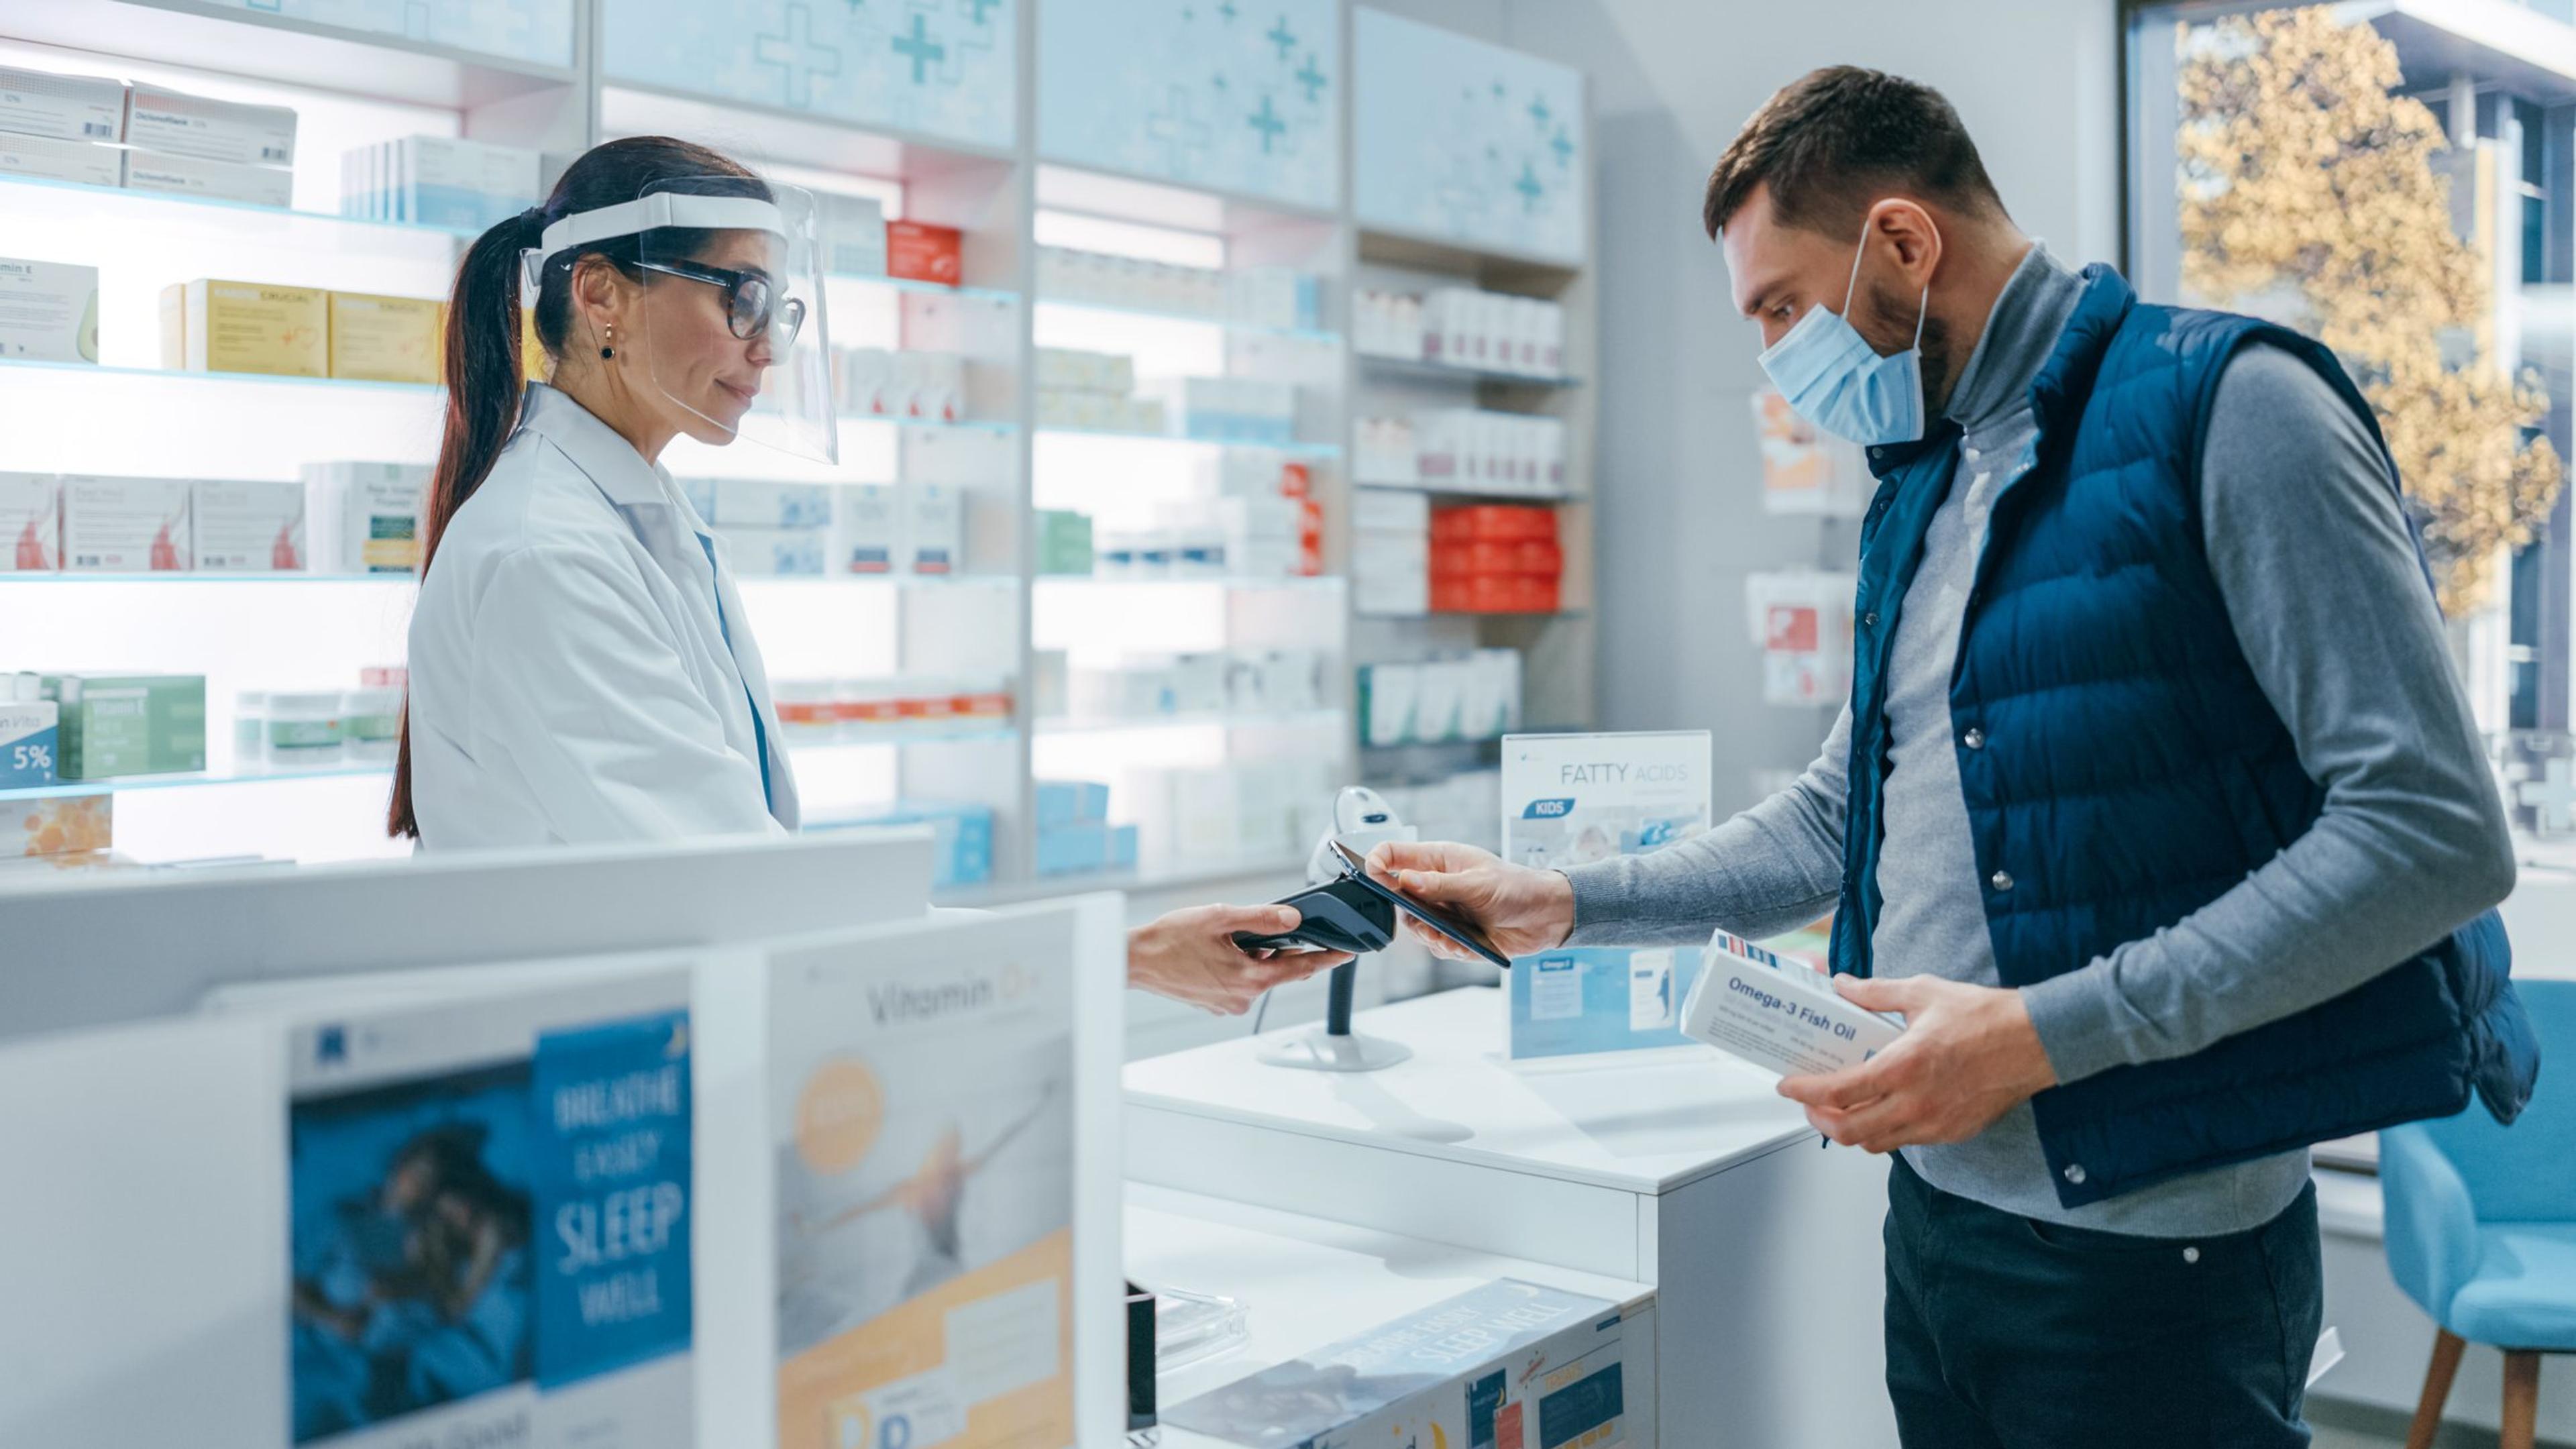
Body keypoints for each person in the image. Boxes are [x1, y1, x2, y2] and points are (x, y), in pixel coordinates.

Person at [1368, 66, 2540, 1448]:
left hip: (2153, 1256)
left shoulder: (2234, 409)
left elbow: (2431, 835)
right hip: (1942, 1225)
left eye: (1782, 309)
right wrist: (1560, 903)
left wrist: (2042, 1037)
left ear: (1905, 242)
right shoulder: (1926, 478)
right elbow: (1836, 820)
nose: (1776, 362)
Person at [391, 136, 1338, 1015]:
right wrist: (1121, 955)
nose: (770, 348)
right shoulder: (546, 551)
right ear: (600, 295)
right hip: (594, 1051)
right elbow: (740, 891)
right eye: (742, 298)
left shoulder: (632, 513)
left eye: (781, 311)